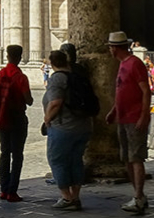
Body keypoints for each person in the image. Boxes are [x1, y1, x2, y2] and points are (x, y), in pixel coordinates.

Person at [105, 31, 151, 215]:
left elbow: (145, 91)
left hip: (134, 118)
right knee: (126, 158)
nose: (109, 50)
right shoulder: (123, 64)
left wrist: (143, 115)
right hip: (122, 118)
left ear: (115, 49)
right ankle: (137, 195)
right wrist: (114, 111)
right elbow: (122, 91)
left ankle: (139, 196)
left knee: (136, 157)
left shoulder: (135, 64)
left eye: (110, 47)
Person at [42, 48, 92, 210]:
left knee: (56, 160)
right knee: (76, 160)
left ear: (52, 63)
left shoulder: (57, 79)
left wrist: (47, 118)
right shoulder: (77, 75)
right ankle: (76, 196)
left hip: (63, 127)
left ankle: (66, 197)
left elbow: (55, 102)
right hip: (83, 126)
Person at [0, 44, 33, 202]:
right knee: (17, 155)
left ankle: (3, 189)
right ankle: (12, 191)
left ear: (6, 56)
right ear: (20, 57)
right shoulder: (21, 78)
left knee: (4, 153)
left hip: (2, 118)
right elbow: (29, 101)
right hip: (17, 119)